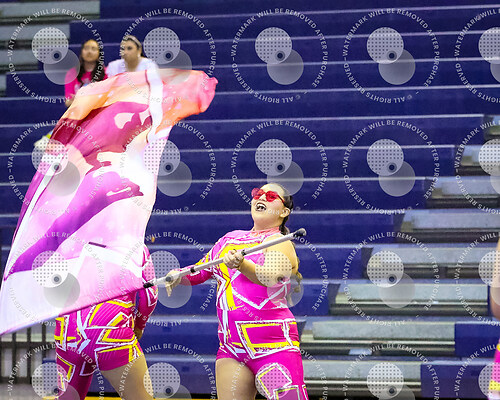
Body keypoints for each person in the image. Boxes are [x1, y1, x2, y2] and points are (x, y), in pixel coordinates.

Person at [167, 183, 308, 400]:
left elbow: (270, 277)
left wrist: (242, 265)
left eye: (271, 196)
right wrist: (178, 275)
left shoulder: (280, 242)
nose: (261, 197)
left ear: (284, 212)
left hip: (274, 345)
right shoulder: (229, 239)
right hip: (232, 348)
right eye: (258, 193)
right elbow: (201, 271)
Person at [55, 251, 158, 400]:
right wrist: (139, 325)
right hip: (111, 331)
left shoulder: (68, 244)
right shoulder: (135, 244)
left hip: (68, 332)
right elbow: (150, 295)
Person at [65, 39, 107, 107]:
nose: (89, 52)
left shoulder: (106, 72)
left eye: (93, 49)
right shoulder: (72, 73)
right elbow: (68, 101)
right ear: (81, 53)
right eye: (86, 48)